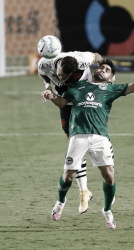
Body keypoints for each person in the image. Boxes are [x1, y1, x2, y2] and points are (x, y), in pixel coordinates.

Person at [41, 59, 134, 229]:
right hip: (78, 136)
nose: (102, 70)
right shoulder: (78, 86)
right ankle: (60, 203)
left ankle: (107, 210)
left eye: (107, 70)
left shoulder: (111, 89)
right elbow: (63, 103)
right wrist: (52, 96)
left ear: (111, 79)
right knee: (67, 176)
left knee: (109, 176)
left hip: (100, 137)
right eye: (101, 68)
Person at [37, 51, 104, 214]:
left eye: (63, 77)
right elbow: (42, 73)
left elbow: (97, 56)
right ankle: (85, 192)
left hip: (85, 99)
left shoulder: (83, 61)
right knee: (75, 144)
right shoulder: (45, 63)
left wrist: (104, 70)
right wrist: (48, 87)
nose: (59, 78)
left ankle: (83, 192)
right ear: (57, 66)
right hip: (65, 101)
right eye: (58, 75)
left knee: (78, 144)